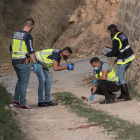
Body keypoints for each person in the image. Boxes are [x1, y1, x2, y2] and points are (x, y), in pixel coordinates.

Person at [9, 18, 37, 110]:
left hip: (14, 62)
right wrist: (34, 63)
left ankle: (16, 101)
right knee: (24, 83)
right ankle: (23, 104)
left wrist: (15, 58)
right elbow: (31, 51)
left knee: (20, 81)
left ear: (24, 24)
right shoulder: (28, 36)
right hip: (23, 62)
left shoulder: (15, 34)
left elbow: (11, 49)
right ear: (31, 26)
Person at [103, 24, 135, 101]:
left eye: (109, 31)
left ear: (111, 31)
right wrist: (118, 57)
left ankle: (128, 96)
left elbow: (114, 51)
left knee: (120, 78)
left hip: (123, 61)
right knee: (119, 76)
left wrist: (106, 54)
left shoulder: (115, 38)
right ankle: (123, 94)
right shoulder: (121, 35)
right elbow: (122, 48)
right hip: (128, 59)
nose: (109, 33)